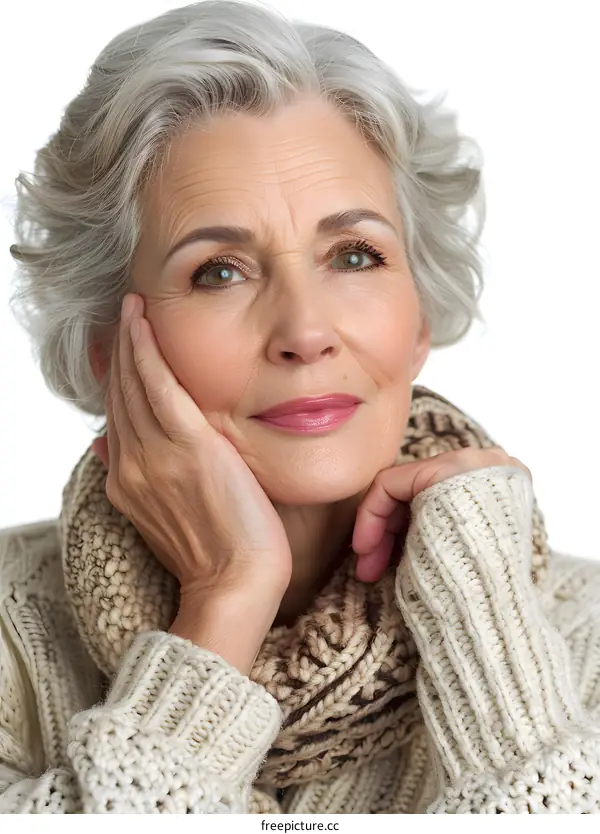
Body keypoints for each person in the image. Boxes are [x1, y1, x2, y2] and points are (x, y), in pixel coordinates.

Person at [2, 0, 599, 814]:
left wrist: (488, 636)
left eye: (355, 256)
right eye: (219, 270)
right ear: (110, 349)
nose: (306, 331)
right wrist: (224, 598)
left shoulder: (586, 634)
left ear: (418, 317)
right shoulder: (10, 635)